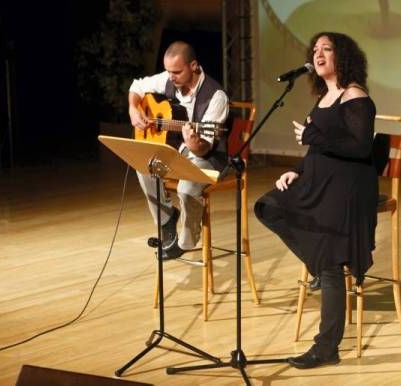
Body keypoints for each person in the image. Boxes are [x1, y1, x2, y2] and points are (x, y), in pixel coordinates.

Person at [254, 32, 378, 369]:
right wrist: (295, 169)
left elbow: (360, 147)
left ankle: (327, 348)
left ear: (344, 57)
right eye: (315, 49)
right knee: (269, 206)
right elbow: (317, 148)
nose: (318, 53)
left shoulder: (355, 95)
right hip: (319, 181)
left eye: (327, 49)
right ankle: (320, 264)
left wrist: (314, 136)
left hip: (348, 188)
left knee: (331, 261)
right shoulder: (325, 96)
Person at [128, 41, 229, 259]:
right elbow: (136, 86)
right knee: (143, 164)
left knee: (186, 187)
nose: (170, 77)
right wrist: (133, 109)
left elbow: (203, 149)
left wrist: (193, 142)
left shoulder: (216, 96)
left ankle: (185, 241)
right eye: (168, 71)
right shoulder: (169, 78)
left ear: (193, 66)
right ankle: (166, 219)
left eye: (176, 72)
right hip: (178, 149)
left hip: (209, 157)